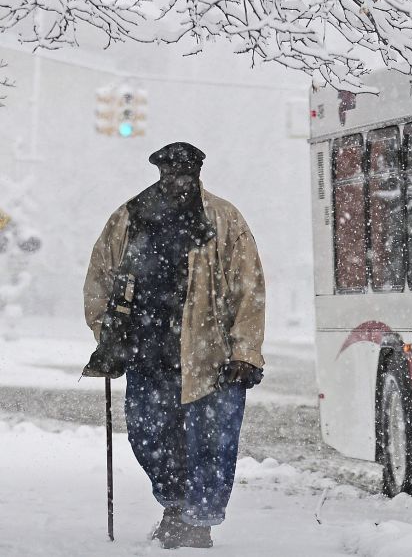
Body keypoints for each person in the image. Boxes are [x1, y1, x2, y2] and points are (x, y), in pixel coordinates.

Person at [83, 142, 266, 549]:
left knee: (212, 441)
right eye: (171, 174)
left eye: (187, 175)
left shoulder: (224, 219)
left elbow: (248, 288)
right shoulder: (130, 218)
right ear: (160, 174)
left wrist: (244, 352)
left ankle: (197, 523)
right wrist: (108, 336)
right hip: (149, 350)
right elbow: (101, 277)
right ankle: (175, 503)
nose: (179, 183)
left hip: (211, 353)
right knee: (148, 435)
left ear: (198, 174)